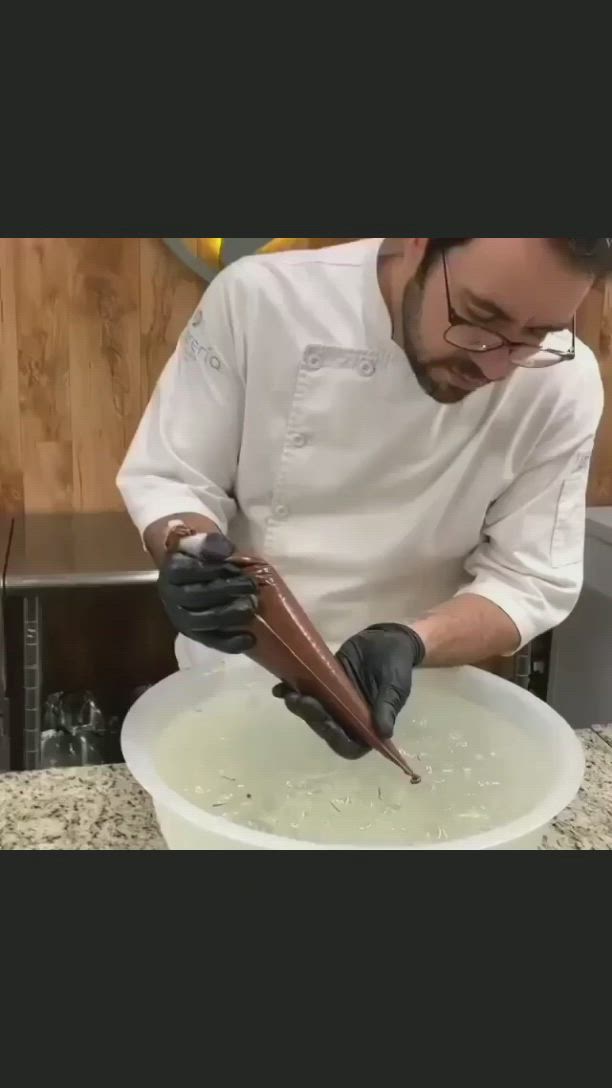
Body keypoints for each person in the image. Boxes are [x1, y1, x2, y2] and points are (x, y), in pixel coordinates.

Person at [117, 237, 608, 761]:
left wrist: (412, 641)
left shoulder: (563, 384)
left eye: (535, 335)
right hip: (230, 685)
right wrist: (191, 556)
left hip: (413, 700)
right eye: (478, 316)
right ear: (418, 242)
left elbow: (529, 579)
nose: (494, 368)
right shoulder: (260, 301)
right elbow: (177, 478)